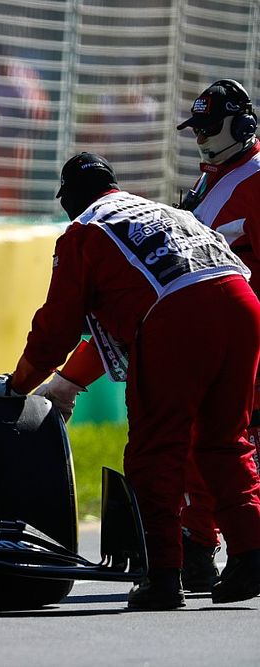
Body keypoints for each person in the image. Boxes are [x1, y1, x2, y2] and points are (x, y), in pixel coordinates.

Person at [0, 152, 260, 610]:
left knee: (155, 450)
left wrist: (18, 385)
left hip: (179, 313)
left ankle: (162, 575)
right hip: (244, 302)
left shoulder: (84, 232)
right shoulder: (166, 211)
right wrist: (67, 381)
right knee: (224, 441)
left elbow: (55, 328)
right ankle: (252, 553)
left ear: (71, 198)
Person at [168, 78, 260, 592]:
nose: (201, 137)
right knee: (203, 445)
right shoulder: (211, 179)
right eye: (196, 127)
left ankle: (217, 548)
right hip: (215, 335)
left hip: (247, 337)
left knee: (224, 448)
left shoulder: (256, 179)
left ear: (243, 125)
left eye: (210, 126)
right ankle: (197, 549)